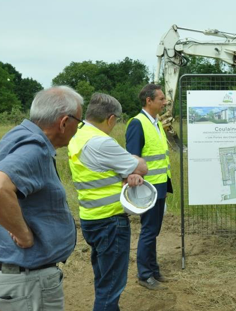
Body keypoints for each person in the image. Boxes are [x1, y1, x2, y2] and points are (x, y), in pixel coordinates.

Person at [0, 86, 83, 310]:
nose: (78, 129)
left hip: (13, 273)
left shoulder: (18, 134)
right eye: (78, 122)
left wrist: (3, 216)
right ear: (64, 122)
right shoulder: (36, 150)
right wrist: (22, 233)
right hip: (27, 280)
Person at [68, 93, 148, 310]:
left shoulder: (78, 136)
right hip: (111, 222)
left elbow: (101, 171)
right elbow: (142, 168)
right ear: (111, 119)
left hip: (90, 218)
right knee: (111, 287)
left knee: (104, 280)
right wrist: (130, 167)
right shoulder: (102, 142)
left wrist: (123, 173)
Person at [125, 84, 173, 290]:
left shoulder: (157, 123)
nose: (165, 102)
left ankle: (153, 269)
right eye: (161, 99)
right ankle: (145, 274)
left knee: (154, 230)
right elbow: (133, 159)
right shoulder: (138, 123)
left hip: (160, 184)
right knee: (148, 230)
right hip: (149, 188)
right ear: (149, 101)